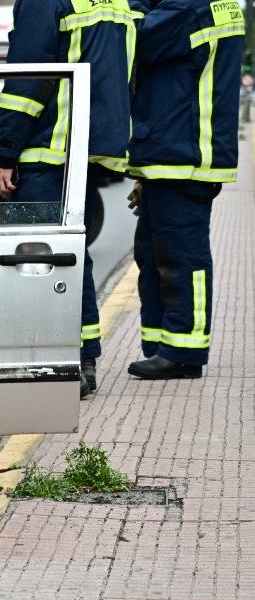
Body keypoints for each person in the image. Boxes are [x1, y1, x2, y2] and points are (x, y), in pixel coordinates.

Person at [0, 0, 136, 397]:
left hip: (47, 151)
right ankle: (81, 362)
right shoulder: (116, 3)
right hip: (84, 150)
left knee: (46, 264)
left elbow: (29, 80)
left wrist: (6, 155)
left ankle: (63, 365)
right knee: (73, 258)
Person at [124, 0, 244, 379]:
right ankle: (163, 344)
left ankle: (184, 351)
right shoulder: (210, 5)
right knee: (155, 253)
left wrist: (135, 5)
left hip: (183, 153)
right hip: (174, 150)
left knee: (181, 256)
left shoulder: (187, 7)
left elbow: (136, 41)